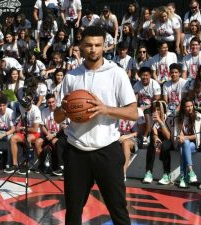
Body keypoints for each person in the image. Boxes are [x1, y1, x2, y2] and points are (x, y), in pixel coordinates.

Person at [54, 26, 137, 225]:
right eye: (89, 45)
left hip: (106, 150)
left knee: (118, 209)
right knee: (72, 211)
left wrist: (105, 109)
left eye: (98, 45)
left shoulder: (116, 73)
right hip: (76, 150)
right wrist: (65, 110)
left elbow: (133, 113)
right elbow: (58, 117)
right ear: (81, 46)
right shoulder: (71, 76)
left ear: (104, 47)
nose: (93, 49)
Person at [5, 95, 41, 174]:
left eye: (26, 105)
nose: (24, 107)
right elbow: (22, 117)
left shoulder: (36, 110)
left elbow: (35, 129)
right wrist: (19, 126)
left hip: (35, 132)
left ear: (30, 104)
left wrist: (22, 128)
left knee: (28, 138)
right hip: (25, 129)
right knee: (13, 138)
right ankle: (15, 164)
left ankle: (27, 164)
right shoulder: (21, 106)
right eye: (23, 105)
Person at [35, 94, 67, 176]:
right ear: (46, 103)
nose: (51, 104)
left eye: (53, 102)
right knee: (37, 142)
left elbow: (63, 127)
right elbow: (42, 126)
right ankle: (43, 164)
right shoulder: (44, 111)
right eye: (49, 102)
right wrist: (48, 134)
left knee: (55, 142)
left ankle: (56, 165)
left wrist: (53, 135)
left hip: (58, 134)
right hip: (47, 133)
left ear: (56, 101)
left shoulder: (60, 111)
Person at [142, 100, 173, 185]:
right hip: (159, 139)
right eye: (154, 110)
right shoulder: (153, 119)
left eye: (158, 109)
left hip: (170, 141)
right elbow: (154, 133)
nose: (156, 112)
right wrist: (156, 138)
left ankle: (167, 174)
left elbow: (168, 136)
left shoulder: (169, 117)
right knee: (151, 144)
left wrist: (160, 121)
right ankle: (148, 172)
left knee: (165, 145)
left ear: (163, 110)